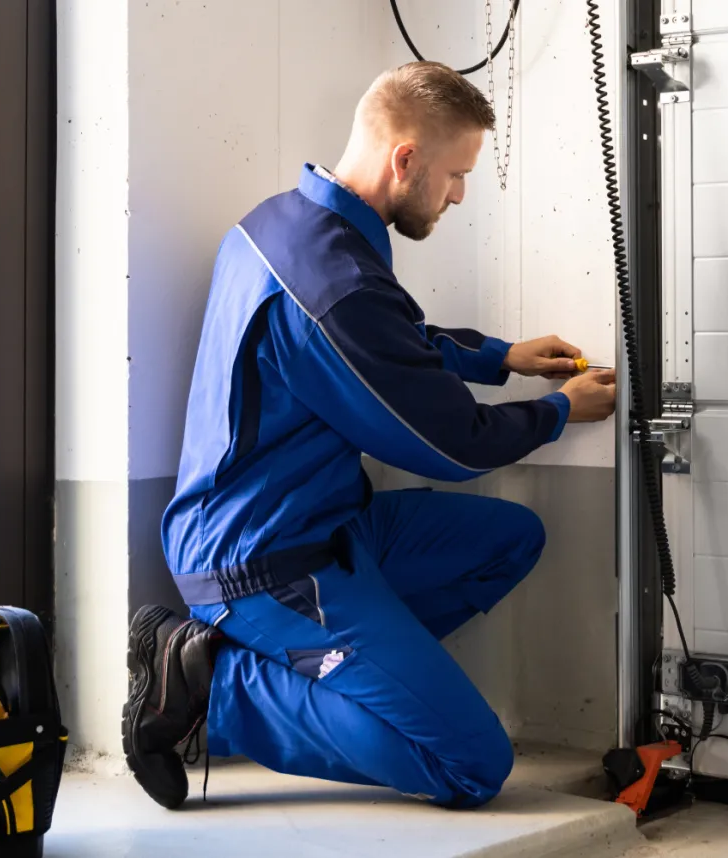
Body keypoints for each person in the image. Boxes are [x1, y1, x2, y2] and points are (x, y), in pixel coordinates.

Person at [122, 61, 616, 812]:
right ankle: (213, 687)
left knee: (511, 538)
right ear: (406, 159)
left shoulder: (284, 224)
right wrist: (556, 411)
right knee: (471, 765)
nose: (458, 194)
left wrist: (500, 357)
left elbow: (390, 343)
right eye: (455, 174)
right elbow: (453, 445)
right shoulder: (331, 283)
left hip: (328, 525)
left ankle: (347, 680)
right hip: (262, 562)